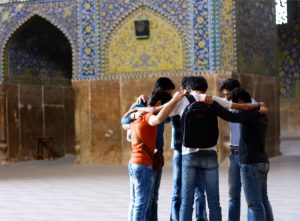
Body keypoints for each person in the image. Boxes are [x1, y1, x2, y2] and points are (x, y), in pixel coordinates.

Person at [204, 88, 274, 221]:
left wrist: (212, 104)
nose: (235, 109)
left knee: (254, 204)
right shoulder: (259, 113)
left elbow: (231, 116)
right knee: (263, 201)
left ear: (241, 102)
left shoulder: (251, 114)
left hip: (251, 163)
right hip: (262, 162)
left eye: (236, 106)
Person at [121, 77, 175, 221]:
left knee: (152, 197)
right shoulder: (143, 104)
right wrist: (134, 113)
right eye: (169, 94)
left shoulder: (156, 108)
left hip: (156, 156)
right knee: (142, 200)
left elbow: (168, 117)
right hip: (145, 156)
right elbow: (124, 121)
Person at [170, 76, 207, 221]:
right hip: (190, 152)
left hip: (183, 152)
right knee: (197, 191)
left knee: (180, 190)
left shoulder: (184, 102)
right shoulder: (178, 103)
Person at [220, 78, 242, 221]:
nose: (225, 97)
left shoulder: (250, 104)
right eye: (224, 95)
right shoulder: (229, 105)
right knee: (233, 196)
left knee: (255, 199)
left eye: (228, 94)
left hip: (246, 154)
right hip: (234, 154)